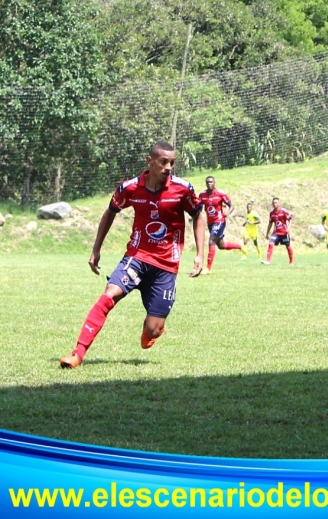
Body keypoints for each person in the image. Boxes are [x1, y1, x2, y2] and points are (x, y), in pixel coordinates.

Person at [60, 141, 205, 369]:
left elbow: (198, 215)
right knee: (108, 296)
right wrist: (96, 248)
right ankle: (77, 354)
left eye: (172, 163)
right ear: (150, 161)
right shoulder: (130, 188)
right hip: (137, 257)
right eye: (163, 162)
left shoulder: (183, 189)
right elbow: (110, 212)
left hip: (166, 266)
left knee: (151, 332)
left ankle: (155, 327)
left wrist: (199, 254)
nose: (169, 167)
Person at [198, 176, 247, 274]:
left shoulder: (221, 194)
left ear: (214, 183)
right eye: (207, 182)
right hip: (210, 222)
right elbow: (199, 206)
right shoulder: (202, 195)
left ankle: (208, 268)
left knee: (211, 241)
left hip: (220, 221)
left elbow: (231, 205)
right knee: (221, 245)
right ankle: (240, 246)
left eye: (211, 182)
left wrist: (227, 213)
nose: (209, 184)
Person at [262, 197, 293, 265]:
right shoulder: (272, 213)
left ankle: (291, 262)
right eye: (273, 203)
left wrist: (289, 228)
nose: (274, 204)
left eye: (276, 202)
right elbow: (270, 223)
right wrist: (267, 233)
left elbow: (290, 219)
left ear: (279, 203)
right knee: (271, 243)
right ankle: (268, 261)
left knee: (288, 246)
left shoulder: (284, 211)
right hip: (276, 232)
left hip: (284, 232)